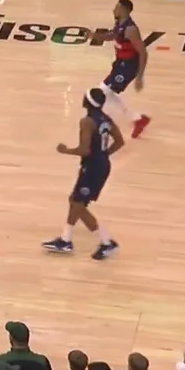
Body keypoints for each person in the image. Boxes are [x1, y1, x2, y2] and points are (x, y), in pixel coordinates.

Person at [43, 88, 124, 260]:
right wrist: (104, 155)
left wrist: (65, 150)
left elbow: (84, 150)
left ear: (87, 102)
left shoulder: (87, 122)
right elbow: (120, 141)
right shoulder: (106, 119)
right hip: (101, 165)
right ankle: (67, 239)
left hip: (92, 168)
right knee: (76, 202)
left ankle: (105, 242)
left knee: (77, 203)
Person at [90, 0, 151, 138]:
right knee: (109, 93)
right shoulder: (119, 23)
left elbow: (143, 52)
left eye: (117, 8)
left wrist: (140, 76)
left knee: (103, 91)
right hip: (120, 63)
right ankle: (137, 119)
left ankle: (101, 124)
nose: (114, 10)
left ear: (124, 10)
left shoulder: (131, 30)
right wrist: (95, 36)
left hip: (129, 66)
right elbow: (112, 36)